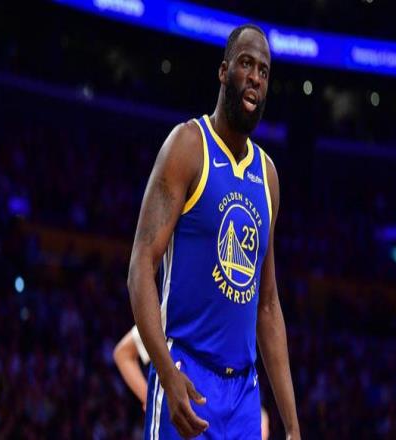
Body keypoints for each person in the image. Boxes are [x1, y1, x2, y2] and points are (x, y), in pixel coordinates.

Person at [128, 23, 300, 439]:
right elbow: (141, 267)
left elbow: (267, 304)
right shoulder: (188, 146)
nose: (255, 77)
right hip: (186, 372)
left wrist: (293, 428)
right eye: (246, 64)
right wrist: (166, 372)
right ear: (224, 72)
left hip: (244, 396)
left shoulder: (268, 176)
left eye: (263, 70)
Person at [113, 326, 271, 439]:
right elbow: (123, 354)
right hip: (181, 427)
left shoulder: (237, 316)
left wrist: (257, 415)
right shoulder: (175, 309)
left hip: (224, 423)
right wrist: (152, 399)